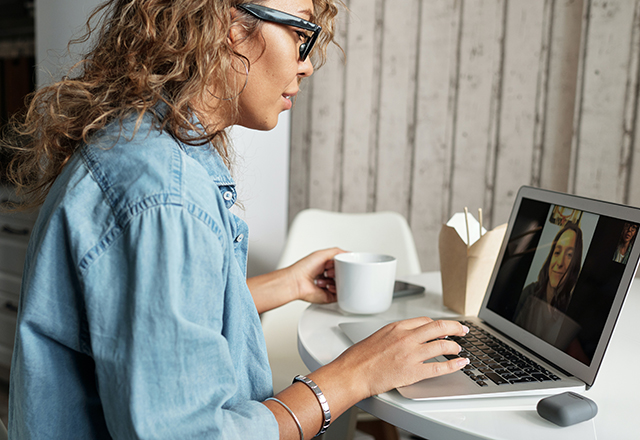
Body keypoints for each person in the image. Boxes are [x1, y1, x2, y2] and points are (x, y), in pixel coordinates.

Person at [3, 1, 470, 439]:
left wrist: (285, 284)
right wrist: (355, 375)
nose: (307, 64)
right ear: (230, 26)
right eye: (302, 32)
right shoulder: (166, 198)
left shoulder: (138, 146)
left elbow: (149, 324)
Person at [513, 222, 583, 347]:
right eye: (557, 252)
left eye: (569, 255)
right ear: (551, 256)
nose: (560, 262)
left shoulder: (573, 310)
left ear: (575, 264)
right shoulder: (529, 293)